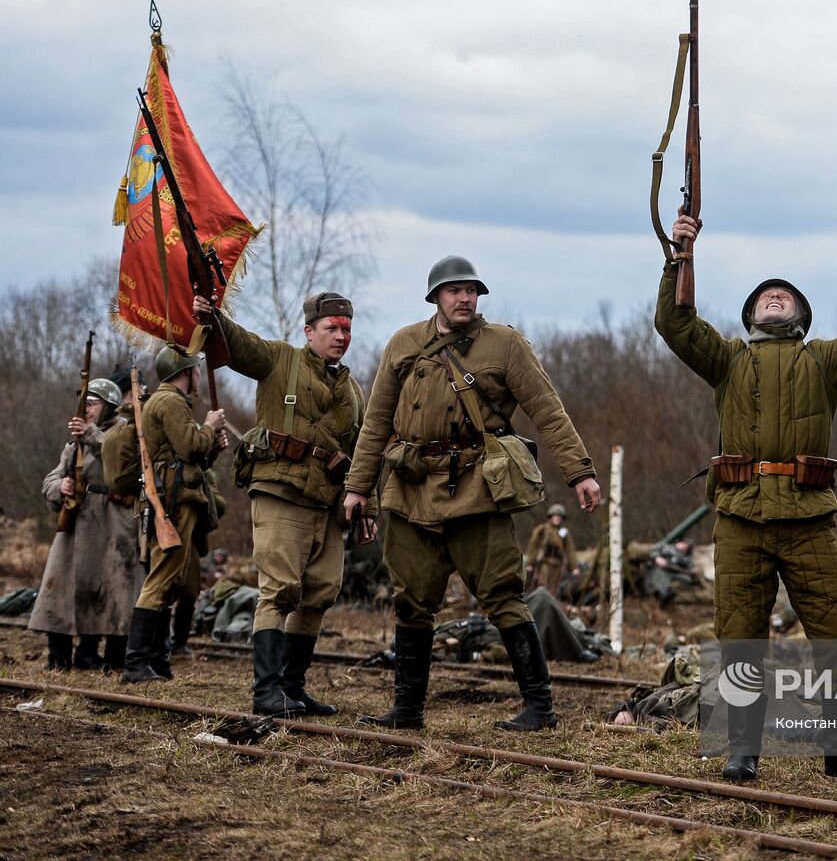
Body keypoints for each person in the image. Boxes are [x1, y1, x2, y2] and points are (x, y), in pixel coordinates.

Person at [655, 214, 837, 781]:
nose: (775, 297)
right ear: (751, 315)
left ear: (800, 316)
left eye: (785, 295)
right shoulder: (727, 360)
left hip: (809, 520)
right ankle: (742, 748)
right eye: (766, 296)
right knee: (741, 634)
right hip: (741, 517)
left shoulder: (821, 361)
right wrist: (679, 256)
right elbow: (675, 324)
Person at [343, 256, 600, 731]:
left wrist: (579, 472)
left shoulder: (504, 344)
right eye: (454, 290)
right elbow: (377, 421)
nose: (464, 298)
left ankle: (539, 708)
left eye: (471, 290)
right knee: (411, 600)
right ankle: (407, 710)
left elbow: (547, 410)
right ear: (435, 297)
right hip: (411, 488)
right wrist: (358, 487)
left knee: (503, 594)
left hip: (477, 489)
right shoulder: (404, 344)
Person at [195, 290, 376, 717]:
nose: (341, 336)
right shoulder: (279, 360)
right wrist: (213, 317)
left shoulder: (351, 388)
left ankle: (292, 689)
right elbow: (237, 346)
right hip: (281, 492)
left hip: (328, 503)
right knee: (279, 590)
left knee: (320, 593)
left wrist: (368, 508)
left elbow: (365, 451)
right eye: (332, 328)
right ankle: (267, 693)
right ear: (309, 331)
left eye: (346, 328)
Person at [122, 347, 226, 683]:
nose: (199, 375)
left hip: (174, 499)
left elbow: (188, 460)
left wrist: (213, 446)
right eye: (196, 370)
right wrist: (209, 429)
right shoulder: (170, 401)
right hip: (175, 503)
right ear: (187, 372)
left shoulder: (167, 402)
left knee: (171, 581)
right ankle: (136, 664)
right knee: (162, 580)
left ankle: (155, 662)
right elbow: (190, 447)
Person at [29, 378, 143, 672]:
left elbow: (121, 458)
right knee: (60, 588)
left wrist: (91, 433)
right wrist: (61, 487)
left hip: (113, 523)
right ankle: (60, 656)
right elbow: (50, 480)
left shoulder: (123, 431)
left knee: (116, 590)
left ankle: (111, 659)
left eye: (93, 403)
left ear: (108, 406)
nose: (87, 409)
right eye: (85, 403)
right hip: (78, 523)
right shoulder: (73, 443)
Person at [526, 504, 573, 595]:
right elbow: (533, 546)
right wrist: (531, 563)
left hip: (557, 565)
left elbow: (570, 551)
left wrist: (574, 567)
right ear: (550, 517)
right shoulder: (542, 530)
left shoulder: (564, 533)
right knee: (542, 587)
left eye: (559, 516)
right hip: (544, 563)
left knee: (554, 590)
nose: (557, 518)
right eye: (555, 516)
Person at [645, 538, 696, 607]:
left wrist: (693, 570)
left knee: (687, 579)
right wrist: (657, 558)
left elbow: (691, 567)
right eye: (684, 544)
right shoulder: (665, 546)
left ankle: (671, 594)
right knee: (660, 575)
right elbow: (652, 550)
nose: (684, 546)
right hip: (658, 568)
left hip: (673, 572)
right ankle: (664, 594)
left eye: (686, 547)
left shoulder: (685, 557)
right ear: (680, 542)